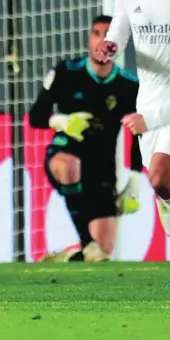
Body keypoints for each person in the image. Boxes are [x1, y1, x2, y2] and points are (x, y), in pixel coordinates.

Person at [95, 0, 170, 287]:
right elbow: (118, 36)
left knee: (161, 179)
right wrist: (108, 49)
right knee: (164, 189)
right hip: (148, 101)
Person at [29, 15, 143, 263]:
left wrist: (134, 179)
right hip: (64, 153)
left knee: (103, 253)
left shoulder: (128, 86)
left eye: (109, 35)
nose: (102, 40)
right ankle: (87, 242)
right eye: (97, 33)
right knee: (69, 166)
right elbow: (35, 116)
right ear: (89, 39)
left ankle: (72, 254)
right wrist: (62, 121)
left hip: (102, 168)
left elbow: (138, 133)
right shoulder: (67, 72)